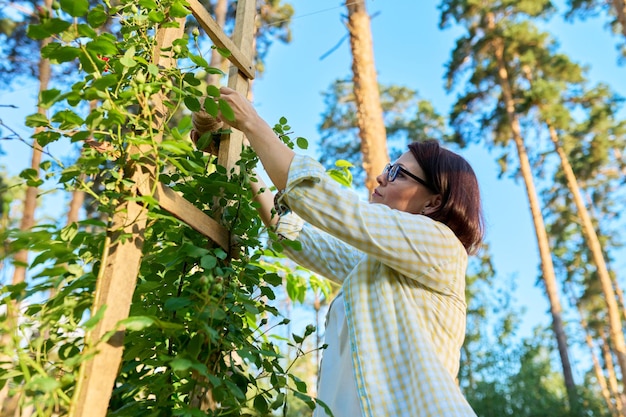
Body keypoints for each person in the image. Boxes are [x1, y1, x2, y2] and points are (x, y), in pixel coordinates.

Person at [193, 86, 484, 417]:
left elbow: (333, 207)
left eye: (396, 173)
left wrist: (250, 122)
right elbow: (298, 238)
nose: (380, 176)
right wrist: (240, 162)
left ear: (433, 202)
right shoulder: (376, 268)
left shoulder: (442, 246)